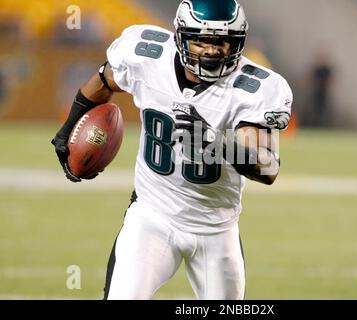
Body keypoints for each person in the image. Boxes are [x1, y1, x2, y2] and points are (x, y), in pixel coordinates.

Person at [51, 0, 293, 300]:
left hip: (215, 227)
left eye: (223, 42)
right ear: (181, 36)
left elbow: (267, 167)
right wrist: (69, 127)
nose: (213, 50)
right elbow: (104, 79)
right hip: (153, 216)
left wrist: (216, 144)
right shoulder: (147, 57)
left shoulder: (251, 89)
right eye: (203, 39)